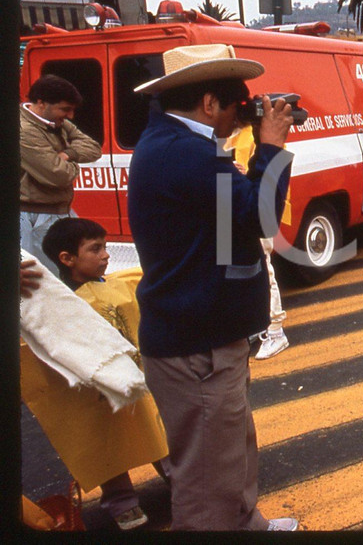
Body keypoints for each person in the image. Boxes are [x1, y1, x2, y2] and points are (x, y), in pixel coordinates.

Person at [127, 43, 297, 531]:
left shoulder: (174, 144)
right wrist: (270, 147)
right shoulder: (185, 153)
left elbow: (226, 225)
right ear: (208, 103)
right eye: (234, 106)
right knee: (206, 481)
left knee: (231, 450)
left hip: (203, 331)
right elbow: (261, 216)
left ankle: (248, 524)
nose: (236, 117)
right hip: (195, 344)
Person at [40, 217, 170, 530]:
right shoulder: (60, 305)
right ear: (67, 258)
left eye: (105, 247)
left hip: (136, 376)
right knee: (107, 442)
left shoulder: (115, 285)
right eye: (96, 249)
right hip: (95, 390)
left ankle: (180, 476)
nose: (106, 255)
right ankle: (122, 501)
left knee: (155, 426)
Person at [20, 74, 102, 274]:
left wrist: (67, 154)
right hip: (32, 216)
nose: (70, 116)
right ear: (41, 103)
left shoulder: (56, 121)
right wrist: (72, 166)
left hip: (58, 211)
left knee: (73, 276)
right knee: (47, 281)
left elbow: (93, 148)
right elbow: (58, 175)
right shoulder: (24, 130)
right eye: (65, 109)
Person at [225, 124, 292, 360]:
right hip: (229, 208)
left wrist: (240, 174)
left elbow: (269, 173)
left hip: (251, 208)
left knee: (264, 269)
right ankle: (258, 327)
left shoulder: (252, 135)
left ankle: (275, 331)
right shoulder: (223, 136)